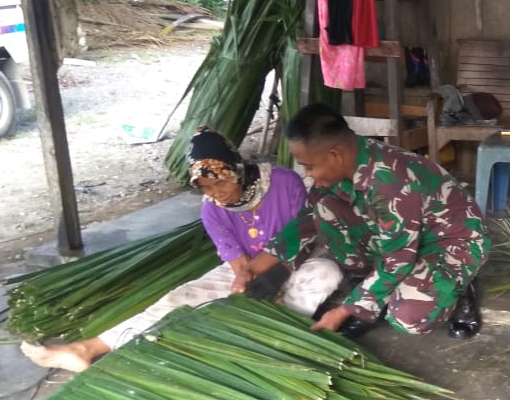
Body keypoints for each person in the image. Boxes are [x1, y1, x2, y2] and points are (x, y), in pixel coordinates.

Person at [21, 130, 342, 372]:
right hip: (252, 269)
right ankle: (88, 349)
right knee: (181, 298)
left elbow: (301, 235)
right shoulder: (212, 210)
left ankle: (277, 334)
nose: (219, 195)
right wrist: (244, 282)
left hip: (299, 261)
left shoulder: (284, 183)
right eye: (207, 189)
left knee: (326, 274)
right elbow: (238, 263)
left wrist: (272, 278)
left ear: (237, 169)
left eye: (222, 183)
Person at [235, 102, 490, 340]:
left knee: (408, 317)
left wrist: (344, 311)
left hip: (452, 241)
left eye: (309, 167)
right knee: (325, 210)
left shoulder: (389, 181)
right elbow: (305, 222)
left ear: (335, 155)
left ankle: (459, 286)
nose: (308, 174)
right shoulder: (346, 164)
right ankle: (370, 297)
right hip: (407, 237)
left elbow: (398, 260)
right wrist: (253, 269)